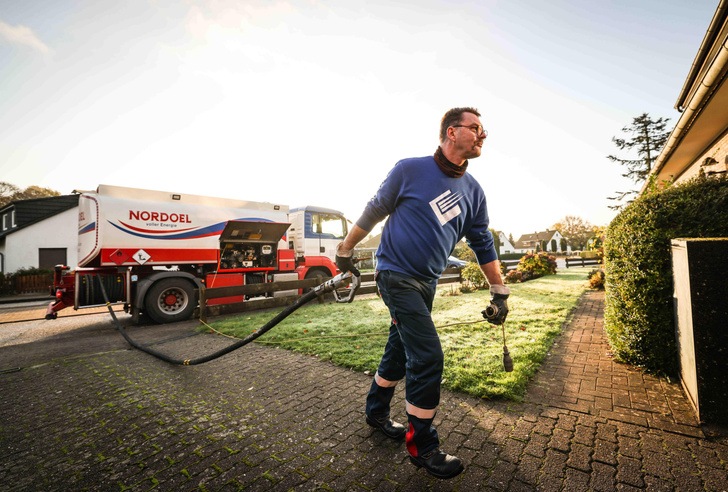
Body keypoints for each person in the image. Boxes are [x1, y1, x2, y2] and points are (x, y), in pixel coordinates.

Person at [335, 107, 510, 480]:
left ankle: (376, 411)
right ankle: (423, 446)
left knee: (399, 349)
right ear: (451, 132)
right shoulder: (410, 169)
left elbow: (482, 243)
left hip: (426, 281)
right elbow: (375, 209)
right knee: (427, 355)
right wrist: (345, 250)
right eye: (475, 128)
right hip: (395, 276)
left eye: (484, 130)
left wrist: (500, 291)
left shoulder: (474, 192)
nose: (483, 135)